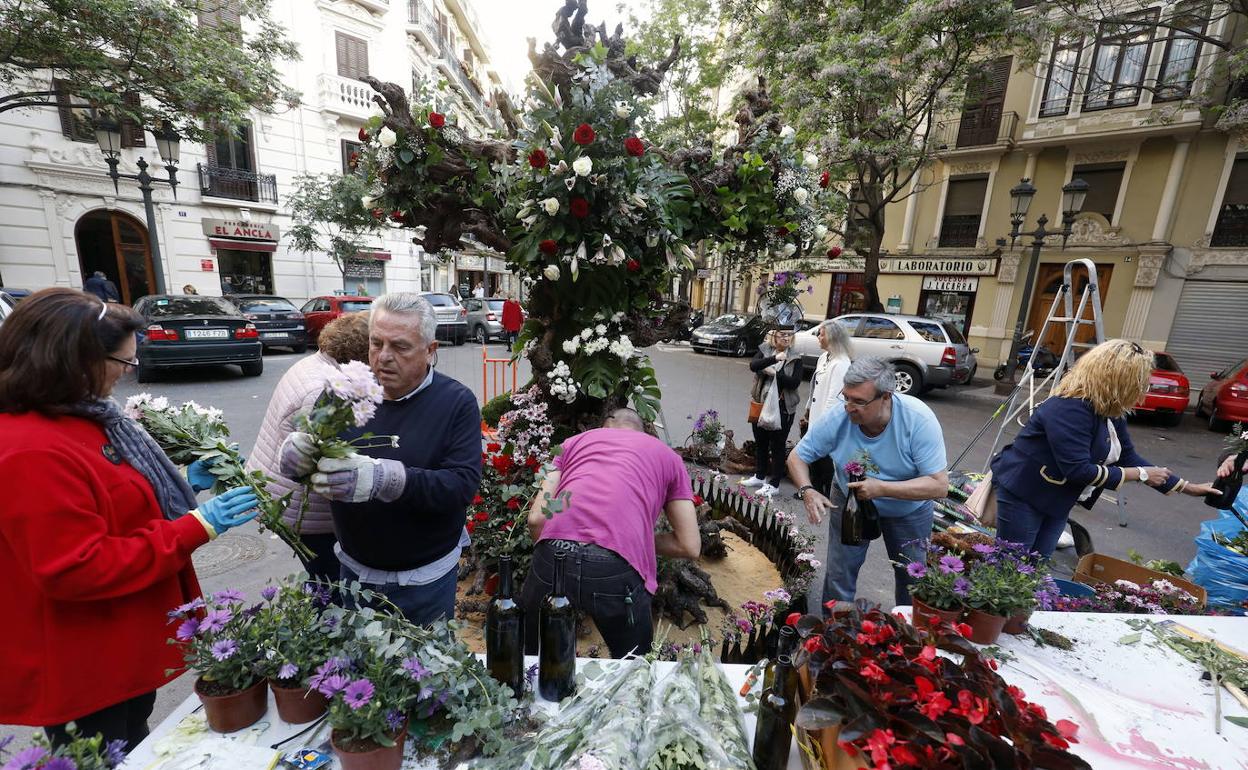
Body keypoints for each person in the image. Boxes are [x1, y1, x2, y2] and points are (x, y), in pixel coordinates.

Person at [0, 289, 259, 750]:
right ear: (75, 361)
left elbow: (110, 502)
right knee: (101, 750)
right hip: (85, 662)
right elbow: (77, 565)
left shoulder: (82, 417)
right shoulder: (31, 448)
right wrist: (195, 526)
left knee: (133, 736)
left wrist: (183, 485)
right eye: (122, 362)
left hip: (117, 646)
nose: (124, 375)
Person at [279, 293, 481, 625]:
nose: (383, 357)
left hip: (423, 580)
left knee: (425, 672)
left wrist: (385, 479)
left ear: (431, 351)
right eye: (376, 343)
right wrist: (299, 460)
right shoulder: (345, 392)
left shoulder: (456, 402)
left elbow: (459, 486)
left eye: (400, 347)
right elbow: (317, 462)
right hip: (354, 573)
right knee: (361, 670)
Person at [990, 339, 1214, 557]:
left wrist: (1187, 487)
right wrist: (1141, 474)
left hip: (1057, 498)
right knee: (1012, 564)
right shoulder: (1069, 409)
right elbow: (1078, 470)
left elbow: (1127, 456)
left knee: (1037, 563)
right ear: (1117, 380)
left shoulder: (1107, 410)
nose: (1144, 387)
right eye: (1139, 380)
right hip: (1025, 493)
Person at [521, 408, 701, 657]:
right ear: (643, 431)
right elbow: (689, 545)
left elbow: (536, 519)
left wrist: (549, 560)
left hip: (554, 554)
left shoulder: (573, 443)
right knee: (631, 670)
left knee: (535, 662)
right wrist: (630, 539)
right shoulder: (667, 456)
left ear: (605, 427)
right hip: (616, 568)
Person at [787, 357, 948, 609]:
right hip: (850, 502)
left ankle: (909, 637)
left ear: (886, 397)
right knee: (841, 573)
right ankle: (834, 637)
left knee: (912, 578)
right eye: (846, 397)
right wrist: (807, 490)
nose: (849, 407)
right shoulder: (838, 416)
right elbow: (797, 457)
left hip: (908, 510)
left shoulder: (918, 420)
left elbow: (939, 485)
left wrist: (882, 489)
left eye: (859, 401)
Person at [247, 312, 372, 584]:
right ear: (363, 353)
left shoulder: (315, 364)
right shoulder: (323, 390)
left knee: (323, 577)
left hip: (275, 492)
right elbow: (314, 462)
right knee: (332, 583)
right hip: (300, 510)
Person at [741, 328, 803, 497]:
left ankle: (774, 484)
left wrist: (775, 373)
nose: (786, 337)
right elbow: (754, 365)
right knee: (760, 441)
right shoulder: (765, 350)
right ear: (774, 335)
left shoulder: (795, 357)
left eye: (790, 334)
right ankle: (760, 476)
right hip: (760, 402)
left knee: (777, 445)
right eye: (783, 334)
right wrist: (774, 359)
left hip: (783, 407)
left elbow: (794, 383)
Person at [800, 320, 854, 496]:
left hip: (825, 420)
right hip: (815, 416)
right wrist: (808, 410)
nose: (818, 337)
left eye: (821, 334)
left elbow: (834, 399)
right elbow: (815, 387)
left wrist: (824, 425)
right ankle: (814, 488)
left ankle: (822, 492)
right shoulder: (824, 358)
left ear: (832, 338)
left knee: (824, 459)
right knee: (815, 457)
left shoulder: (841, 363)